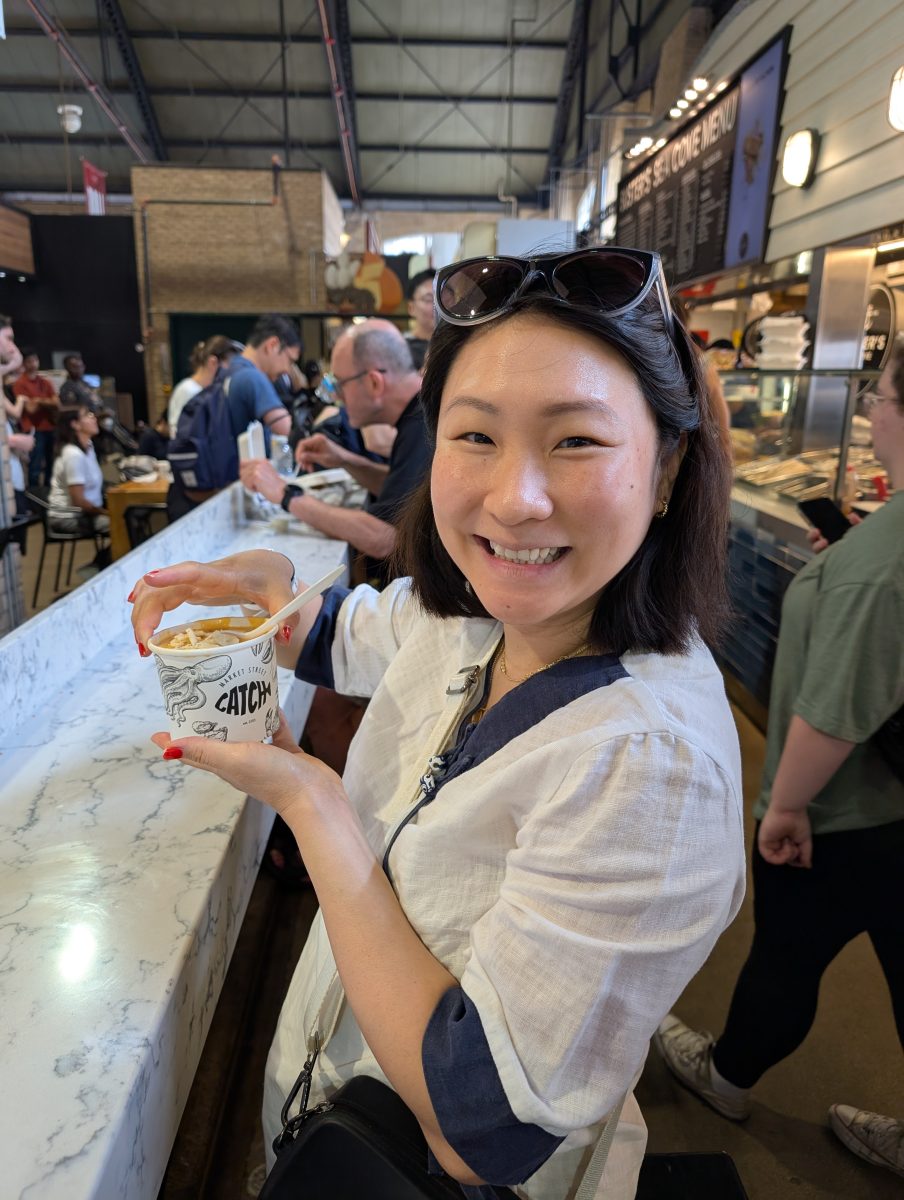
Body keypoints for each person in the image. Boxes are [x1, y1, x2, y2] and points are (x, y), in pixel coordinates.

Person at [131, 246, 745, 1199]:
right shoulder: (482, 614)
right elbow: (352, 635)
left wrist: (314, 807)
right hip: (326, 1111)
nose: (514, 499)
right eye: (475, 435)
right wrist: (271, 593)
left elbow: (483, 1126)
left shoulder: (650, 768)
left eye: (576, 441)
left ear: (666, 468)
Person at [654, 335, 904, 1184]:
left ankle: (725, 1078)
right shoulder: (877, 552)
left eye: (880, 395)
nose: (870, 410)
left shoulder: (877, 570)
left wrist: (786, 806)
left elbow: (834, 713)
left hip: (852, 814)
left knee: (786, 959)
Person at [241, 319, 428, 587]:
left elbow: (385, 539)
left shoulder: (424, 425)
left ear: (374, 383)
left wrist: (286, 494)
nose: (338, 397)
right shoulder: (418, 416)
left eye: (341, 385)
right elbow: (406, 494)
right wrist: (343, 459)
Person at [48, 404, 110, 537]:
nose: (94, 418)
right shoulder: (73, 454)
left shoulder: (89, 447)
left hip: (86, 513)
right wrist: (105, 512)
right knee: (122, 523)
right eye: (87, 415)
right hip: (68, 517)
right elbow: (79, 501)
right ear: (75, 424)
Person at [167, 334, 239, 430]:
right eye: (229, 363)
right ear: (213, 362)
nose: (231, 370)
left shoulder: (210, 392)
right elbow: (178, 431)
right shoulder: (187, 390)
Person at [12, 348, 60, 486]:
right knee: (35, 465)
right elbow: (30, 409)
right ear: (23, 364)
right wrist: (47, 402)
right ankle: (34, 494)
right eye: (29, 361)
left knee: (52, 462)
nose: (33, 364)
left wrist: (38, 401)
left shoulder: (45, 382)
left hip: (50, 426)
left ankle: (48, 491)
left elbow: (57, 403)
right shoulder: (20, 383)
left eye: (35, 360)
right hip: (33, 429)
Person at [405, 267, 437, 370]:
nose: (437, 306)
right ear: (411, 308)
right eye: (429, 299)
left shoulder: (459, 345)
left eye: (443, 298)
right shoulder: (401, 348)